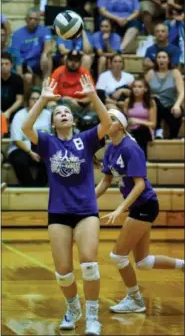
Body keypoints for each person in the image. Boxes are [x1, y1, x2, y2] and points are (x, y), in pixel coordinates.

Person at [21, 75, 112, 335]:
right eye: (58, 113)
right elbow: (26, 129)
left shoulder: (86, 138)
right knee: (63, 272)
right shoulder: (48, 142)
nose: (62, 114)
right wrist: (43, 99)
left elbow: (106, 122)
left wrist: (93, 95)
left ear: (72, 119)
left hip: (86, 211)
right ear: (53, 122)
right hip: (58, 212)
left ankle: (93, 316)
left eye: (66, 112)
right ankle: (73, 307)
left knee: (89, 264)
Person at [96, 108, 184, 314]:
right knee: (143, 262)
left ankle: (135, 299)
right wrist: (87, 200)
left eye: (112, 119)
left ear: (121, 125)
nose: (106, 121)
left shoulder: (130, 148)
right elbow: (106, 181)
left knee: (118, 256)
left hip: (145, 205)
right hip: (138, 206)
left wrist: (120, 209)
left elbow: (140, 185)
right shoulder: (110, 149)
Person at [8, 89, 51, 187]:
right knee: (20, 161)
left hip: (42, 147)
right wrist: (30, 152)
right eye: (33, 99)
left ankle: (40, 187)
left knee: (50, 159)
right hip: (21, 148)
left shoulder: (48, 115)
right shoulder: (20, 115)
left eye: (38, 98)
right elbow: (16, 140)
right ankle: (30, 187)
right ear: (28, 101)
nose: (36, 101)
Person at [11, 7, 52, 99]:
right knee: (27, 77)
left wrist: (44, 54)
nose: (33, 21)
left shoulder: (44, 30)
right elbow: (16, 56)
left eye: (36, 19)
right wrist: (24, 66)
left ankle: (45, 90)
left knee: (48, 58)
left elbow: (48, 46)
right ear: (26, 20)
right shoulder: (17, 34)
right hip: (23, 62)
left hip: (38, 61)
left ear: (39, 20)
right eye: (30, 18)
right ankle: (24, 100)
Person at [145, 50, 184, 139]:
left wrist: (177, 105)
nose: (161, 59)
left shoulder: (175, 72)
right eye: (159, 57)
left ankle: (173, 137)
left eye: (164, 57)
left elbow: (182, 92)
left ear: (168, 60)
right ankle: (158, 131)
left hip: (170, 105)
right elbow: (144, 90)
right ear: (156, 60)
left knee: (178, 111)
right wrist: (151, 97)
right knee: (155, 101)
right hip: (154, 105)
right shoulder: (151, 73)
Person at [123, 78, 156, 159]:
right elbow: (125, 120)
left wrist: (138, 122)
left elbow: (153, 124)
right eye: (134, 87)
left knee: (141, 130)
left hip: (145, 131)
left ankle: (142, 158)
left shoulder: (150, 102)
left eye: (140, 87)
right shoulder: (127, 101)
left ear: (145, 89)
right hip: (130, 130)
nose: (136, 89)